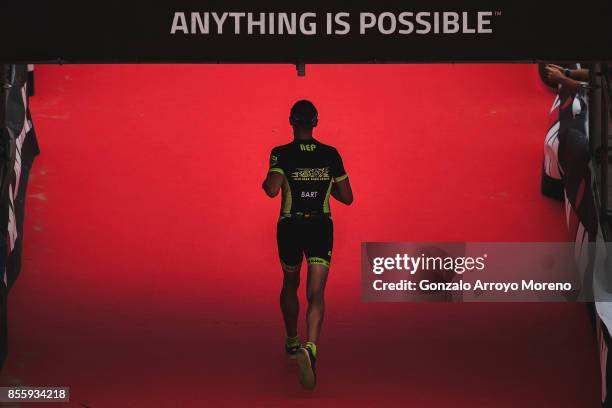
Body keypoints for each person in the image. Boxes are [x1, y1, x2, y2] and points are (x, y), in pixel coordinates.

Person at [262, 100, 353, 390]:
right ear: (315, 123)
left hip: (290, 225)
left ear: (291, 122)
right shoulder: (330, 154)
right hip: (320, 225)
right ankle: (311, 346)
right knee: (316, 291)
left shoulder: (281, 153)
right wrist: (322, 183)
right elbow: (347, 196)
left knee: (290, 283)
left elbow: (272, 189)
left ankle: (292, 342)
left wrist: (270, 182)